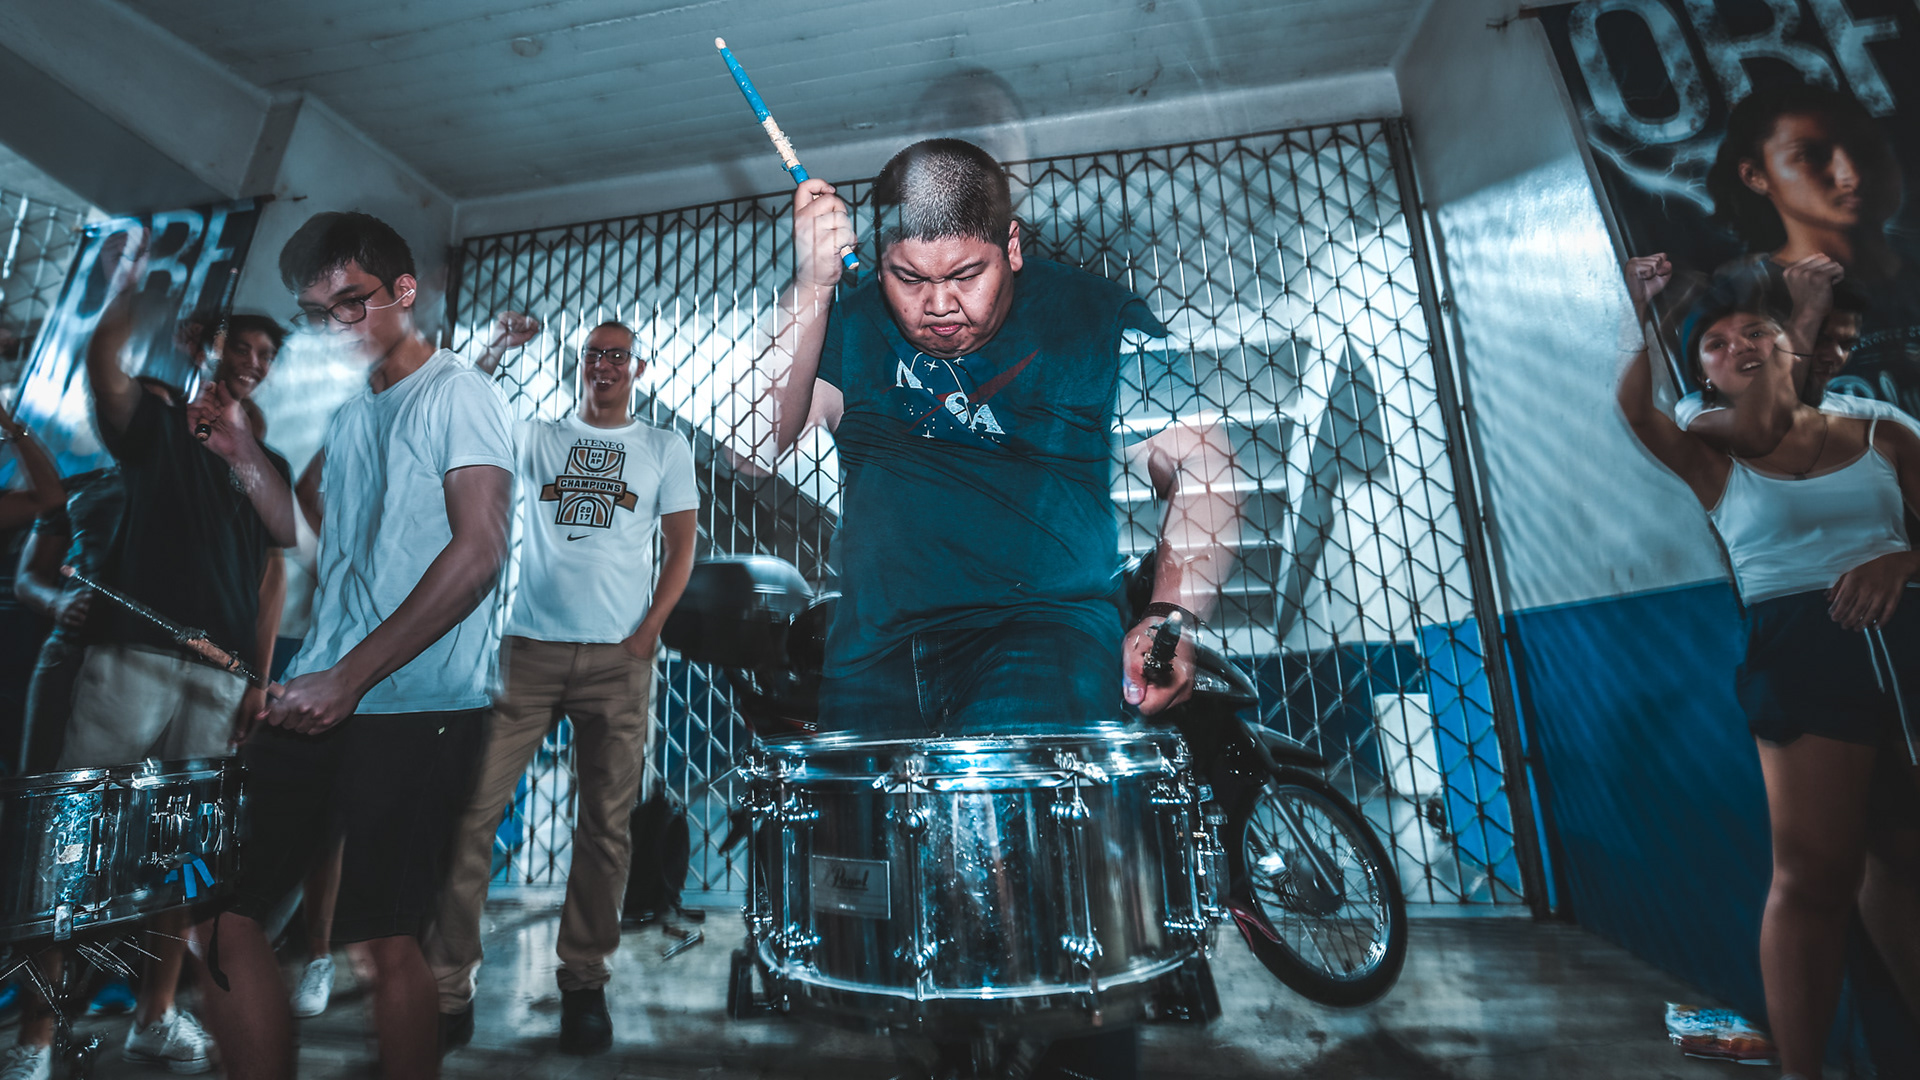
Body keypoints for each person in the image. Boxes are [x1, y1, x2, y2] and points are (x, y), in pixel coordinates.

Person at [756, 138, 1238, 1080]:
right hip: (878, 660)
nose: (938, 305)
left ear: (1011, 246)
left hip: (1041, 642)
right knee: (911, 943)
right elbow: (747, 440)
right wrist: (810, 285)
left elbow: (1206, 462)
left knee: (1059, 918)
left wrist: (1169, 615)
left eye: (965, 276)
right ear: (880, 261)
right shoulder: (850, 322)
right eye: (910, 278)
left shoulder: (1091, 318)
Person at [186, 210, 513, 1080]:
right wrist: (244, 456)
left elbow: (480, 551)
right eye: (316, 311)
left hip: (417, 706)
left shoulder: (458, 393)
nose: (335, 326)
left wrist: (350, 677)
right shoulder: (354, 414)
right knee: (218, 917)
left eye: (351, 302)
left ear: (404, 291)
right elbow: (319, 549)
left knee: (381, 942)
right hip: (322, 694)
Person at [1617, 253, 1920, 1080]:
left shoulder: (1880, 429)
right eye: (1715, 344)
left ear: (1789, 343)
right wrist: (1644, 313)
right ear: (1704, 376)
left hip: (1906, 654)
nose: (1738, 346)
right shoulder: (1711, 446)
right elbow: (1637, 408)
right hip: (1803, 656)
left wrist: (1903, 561)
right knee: (1816, 876)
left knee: (1903, 860)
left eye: (1755, 331)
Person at [0, 299, 297, 1080]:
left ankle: (155, 1018)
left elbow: (270, 583)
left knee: (182, 860)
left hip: (218, 681)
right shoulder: (158, 434)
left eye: (266, 353)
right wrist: (131, 287)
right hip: (131, 662)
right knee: (72, 847)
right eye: (241, 347)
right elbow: (108, 374)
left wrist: (256, 679)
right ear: (204, 352)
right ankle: (36, 1038)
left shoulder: (265, 465)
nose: (254, 362)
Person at [426, 313, 699, 1055]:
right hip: (530, 653)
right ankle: (448, 992)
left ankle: (583, 985)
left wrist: (647, 634)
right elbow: (471, 413)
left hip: (619, 660)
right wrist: (491, 349)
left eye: (617, 355)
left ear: (637, 369)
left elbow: (682, 547)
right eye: (593, 354)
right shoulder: (540, 437)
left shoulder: (663, 447)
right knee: (473, 812)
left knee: (605, 829)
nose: (604, 365)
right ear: (580, 364)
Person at [1706, 80, 1920, 416]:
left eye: (1864, 150)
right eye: (1810, 155)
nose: (1850, 175)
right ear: (1755, 176)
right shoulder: (1738, 295)